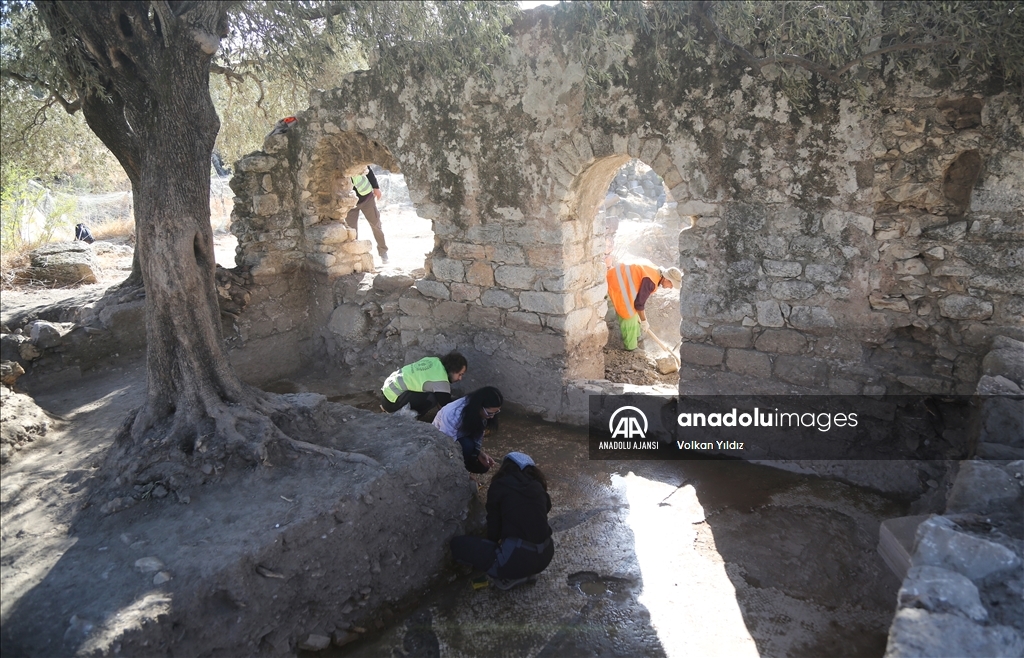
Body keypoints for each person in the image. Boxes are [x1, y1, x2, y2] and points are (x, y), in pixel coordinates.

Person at [450, 452, 554, 590]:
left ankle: (510, 575)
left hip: (517, 559)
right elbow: (546, 508)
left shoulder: (499, 486)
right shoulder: (537, 487)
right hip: (546, 555)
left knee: (457, 545)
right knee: (522, 549)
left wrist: (491, 551)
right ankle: (526, 571)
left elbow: (494, 527)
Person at [606, 259, 683, 351]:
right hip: (616, 283)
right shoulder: (650, 281)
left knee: (634, 313)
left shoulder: (655, 270)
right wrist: (644, 321)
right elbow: (639, 304)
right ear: (666, 279)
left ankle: (637, 338)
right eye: (671, 285)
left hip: (617, 277)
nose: (670, 288)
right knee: (628, 314)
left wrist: (642, 318)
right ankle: (631, 348)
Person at [432, 386, 502, 473]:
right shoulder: (453, 414)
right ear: (479, 406)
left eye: (496, 412)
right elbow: (448, 445)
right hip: (443, 440)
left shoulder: (478, 411)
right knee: (467, 445)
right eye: (490, 413)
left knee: (483, 466)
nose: (492, 417)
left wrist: (478, 453)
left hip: (461, 435)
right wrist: (463, 474)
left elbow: (478, 434)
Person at [380, 352, 468, 420]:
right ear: (453, 370)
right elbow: (447, 407)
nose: (460, 378)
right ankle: (405, 418)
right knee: (432, 398)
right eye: (460, 374)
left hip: (386, 393)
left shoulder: (433, 360)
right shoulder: (441, 381)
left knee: (432, 393)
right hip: (392, 403)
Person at [344, 165, 388, 263]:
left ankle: (383, 252)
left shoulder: (356, 158)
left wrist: (376, 187)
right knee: (351, 231)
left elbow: (368, 170)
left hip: (367, 198)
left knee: (376, 225)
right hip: (350, 203)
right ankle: (354, 258)